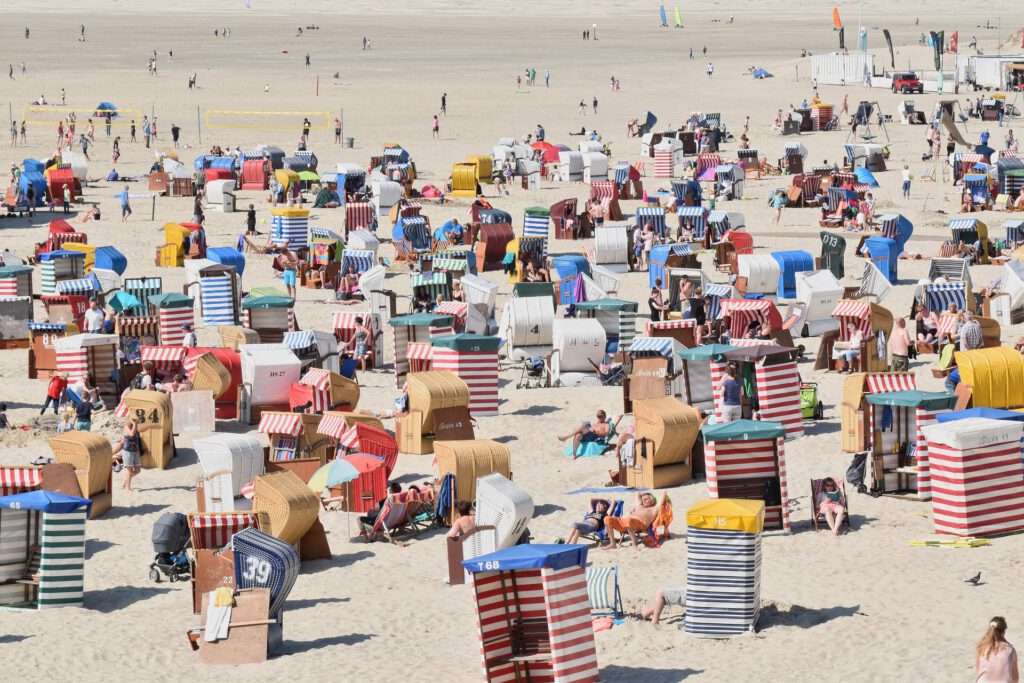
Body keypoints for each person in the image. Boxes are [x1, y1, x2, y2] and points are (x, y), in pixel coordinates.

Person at [976, 617, 1019, 682]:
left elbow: (979, 670)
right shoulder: (1010, 650)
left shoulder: (982, 647)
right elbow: (1015, 677)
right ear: (1003, 632)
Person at [111, 418, 142, 491]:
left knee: (138, 470)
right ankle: (128, 488)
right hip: (128, 451)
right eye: (134, 420)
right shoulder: (126, 427)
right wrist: (135, 424)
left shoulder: (135, 427)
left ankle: (126, 481)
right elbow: (131, 434)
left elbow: (125, 439)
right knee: (129, 470)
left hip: (135, 451)